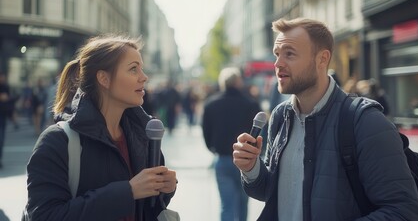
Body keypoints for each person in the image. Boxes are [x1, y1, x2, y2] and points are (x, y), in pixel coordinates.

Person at [232, 18, 418, 220]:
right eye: (277, 54)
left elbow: (405, 212)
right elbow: (274, 193)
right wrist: (251, 168)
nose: (278, 63)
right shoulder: (281, 116)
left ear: (322, 59)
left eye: (289, 54)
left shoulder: (366, 122)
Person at [23, 35, 177, 220]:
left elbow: (144, 212)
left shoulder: (143, 138)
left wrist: (162, 190)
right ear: (104, 78)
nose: (144, 77)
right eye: (133, 69)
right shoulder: (57, 141)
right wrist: (127, 192)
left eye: (141, 69)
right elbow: (44, 216)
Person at [202, 67, 261, 221]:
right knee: (243, 204)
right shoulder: (250, 103)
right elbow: (260, 131)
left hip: (222, 159)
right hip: (246, 160)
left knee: (226, 205)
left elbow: (206, 133)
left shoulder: (211, 104)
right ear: (238, 82)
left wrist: (213, 148)